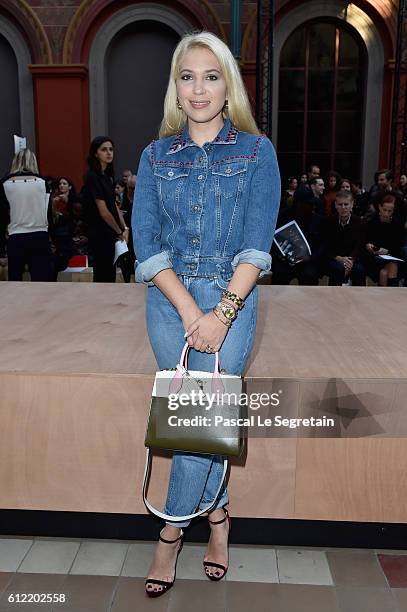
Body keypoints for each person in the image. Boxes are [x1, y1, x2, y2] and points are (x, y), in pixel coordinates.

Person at [132, 31, 280, 597]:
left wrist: (221, 312)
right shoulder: (153, 154)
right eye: (187, 77)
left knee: (196, 422)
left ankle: (169, 534)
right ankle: (218, 519)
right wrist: (192, 309)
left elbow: (256, 245)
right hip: (170, 303)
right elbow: (146, 243)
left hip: (233, 300)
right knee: (198, 418)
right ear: (176, 86)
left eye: (211, 76)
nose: (199, 89)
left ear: (228, 85)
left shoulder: (255, 151)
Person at [0, 148, 53, 281]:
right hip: (40, 235)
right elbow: (48, 214)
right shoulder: (43, 182)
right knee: (42, 283)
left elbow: (2, 217)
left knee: (16, 283)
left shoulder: (4, 183)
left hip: (16, 237)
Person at [82, 137, 128, 282]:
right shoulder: (92, 177)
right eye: (104, 149)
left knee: (110, 274)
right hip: (100, 234)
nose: (109, 153)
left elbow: (114, 206)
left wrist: (124, 227)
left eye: (111, 149)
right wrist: (119, 231)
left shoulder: (107, 177)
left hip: (110, 234)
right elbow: (103, 211)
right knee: (103, 275)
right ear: (96, 153)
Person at [272, 187, 323, 285]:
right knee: (280, 274)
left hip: (308, 260)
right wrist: (283, 256)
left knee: (310, 275)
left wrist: (310, 257)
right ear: (298, 203)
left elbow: (321, 245)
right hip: (285, 260)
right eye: (309, 204)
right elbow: (275, 240)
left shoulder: (317, 219)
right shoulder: (282, 216)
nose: (312, 206)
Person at [323, 190, 366, 286]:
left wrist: (349, 260)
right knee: (337, 269)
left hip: (353, 258)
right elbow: (326, 245)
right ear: (335, 205)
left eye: (346, 204)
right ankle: (333, 298)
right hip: (334, 258)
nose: (343, 208)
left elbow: (359, 246)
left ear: (352, 204)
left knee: (359, 270)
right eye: (340, 204)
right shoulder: (328, 222)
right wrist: (338, 258)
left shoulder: (360, 222)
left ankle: (360, 299)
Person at [364, 194, 404, 286]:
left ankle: (385, 296)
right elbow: (366, 241)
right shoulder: (372, 222)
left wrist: (387, 251)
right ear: (379, 207)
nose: (386, 213)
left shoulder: (397, 225)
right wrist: (369, 246)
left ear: (393, 211)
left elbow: (398, 247)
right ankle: (392, 298)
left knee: (385, 272)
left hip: (392, 257)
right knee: (386, 271)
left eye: (390, 211)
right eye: (384, 210)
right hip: (374, 259)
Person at [49, 176, 77, 278]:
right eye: (60, 184)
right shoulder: (55, 199)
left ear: (70, 187)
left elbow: (76, 216)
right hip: (58, 233)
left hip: (70, 233)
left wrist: (68, 202)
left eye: (64, 184)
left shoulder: (74, 199)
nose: (61, 185)